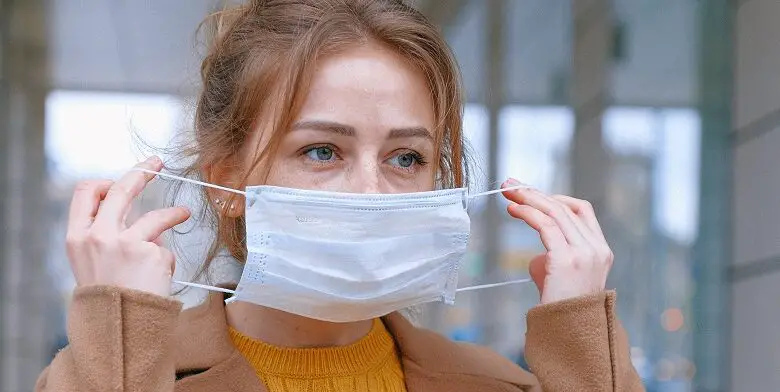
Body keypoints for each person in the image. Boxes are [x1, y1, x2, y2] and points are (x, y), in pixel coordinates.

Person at [36, 0, 644, 391]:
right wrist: (118, 333)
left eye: (407, 158)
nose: (370, 193)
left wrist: (582, 347)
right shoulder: (115, 372)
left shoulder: (499, 386)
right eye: (322, 151)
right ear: (228, 183)